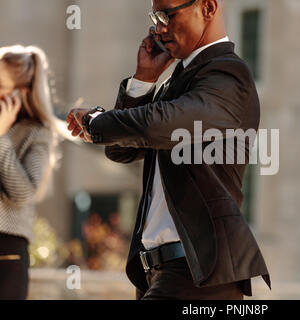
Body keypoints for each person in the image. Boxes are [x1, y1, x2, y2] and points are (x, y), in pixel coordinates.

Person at [66, 0, 270, 300]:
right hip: (160, 273)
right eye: (156, 16)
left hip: (198, 274)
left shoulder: (228, 76)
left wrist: (94, 120)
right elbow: (120, 151)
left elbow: (152, 125)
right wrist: (144, 79)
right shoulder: (180, 81)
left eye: (168, 14)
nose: (160, 28)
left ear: (209, 7)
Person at [0, 45, 62, 300]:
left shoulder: (37, 133)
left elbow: (23, 194)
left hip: (6, 250)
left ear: (21, 92)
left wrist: (1, 138)